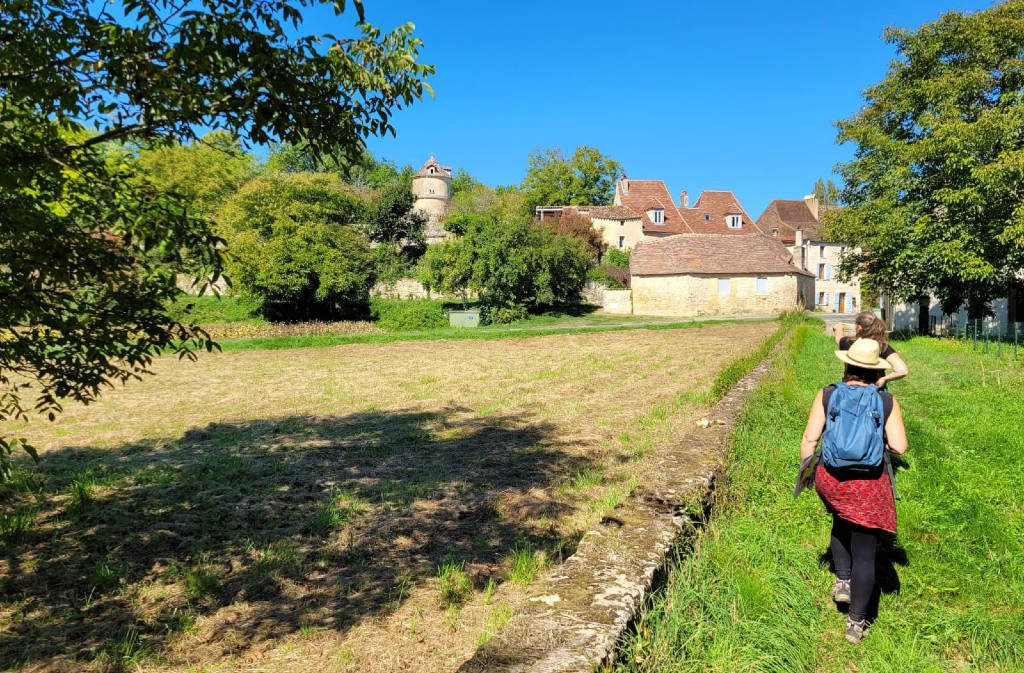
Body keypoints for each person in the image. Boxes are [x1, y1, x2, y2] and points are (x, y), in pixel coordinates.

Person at [800, 338, 909, 644]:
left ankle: (842, 581)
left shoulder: (827, 394)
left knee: (840, 518)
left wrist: (809, 474)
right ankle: (856, 623)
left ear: (846, 365)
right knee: (866, 551)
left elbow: (810, 440)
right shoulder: (886, 401)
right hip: (868, 484)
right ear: (876, 371)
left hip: (831, 478)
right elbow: (900, 446)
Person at [832, 311, 908, 388]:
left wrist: (838, 328)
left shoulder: (849, 343)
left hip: (850, 389)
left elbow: (838, 339)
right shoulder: (882, 346)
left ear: (859, 328)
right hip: (875, 390)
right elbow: (902, 371)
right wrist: (884, 379)